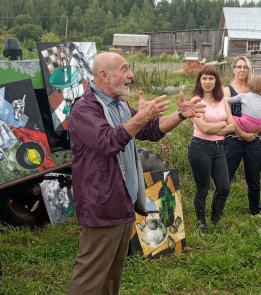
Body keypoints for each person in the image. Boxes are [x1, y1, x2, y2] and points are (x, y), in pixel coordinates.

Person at [67, 52, 205, 294]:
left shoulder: (119, 105)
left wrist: (181, 114)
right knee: (90, 276)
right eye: (124, 69)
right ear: (104, 75)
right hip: (101, 206)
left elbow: (151, 130)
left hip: (122, 203)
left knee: (111, 276)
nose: (130, 75)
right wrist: (140, 117)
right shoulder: (84, 109)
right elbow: (107, 141)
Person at [188, 65, 236, 234]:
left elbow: (233, 126)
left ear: (216, 81)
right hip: (200, 148)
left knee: (224, 188)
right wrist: (223, 124)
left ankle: (215, 219)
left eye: (211, 78)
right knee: (203, 189)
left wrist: (220, 126)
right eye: (204, 78)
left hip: (219, 148)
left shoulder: (222, 99)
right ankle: (202, 222)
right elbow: (204, 128)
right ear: (199, 81)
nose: (207, 82)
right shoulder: (195, 102)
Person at [223, 56, 261, 216]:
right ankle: (218, 210)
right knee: (226, 177)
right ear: (233, 69)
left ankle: (255, 211)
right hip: (233, 139)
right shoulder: (227, 91)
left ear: (249, 69)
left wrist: (254, 132)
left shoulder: (254, 88)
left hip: (253, 139)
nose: (242, 70)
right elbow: (227, 116)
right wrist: (242, 134)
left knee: (254, 178)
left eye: (245, 67)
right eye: (239, 67)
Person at [226, 76, 261, 146]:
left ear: (250, 85)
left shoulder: (243, 96)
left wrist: (222, 98)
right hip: (258, 125)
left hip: (246, 124)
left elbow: (230, 100)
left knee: (231, 117)